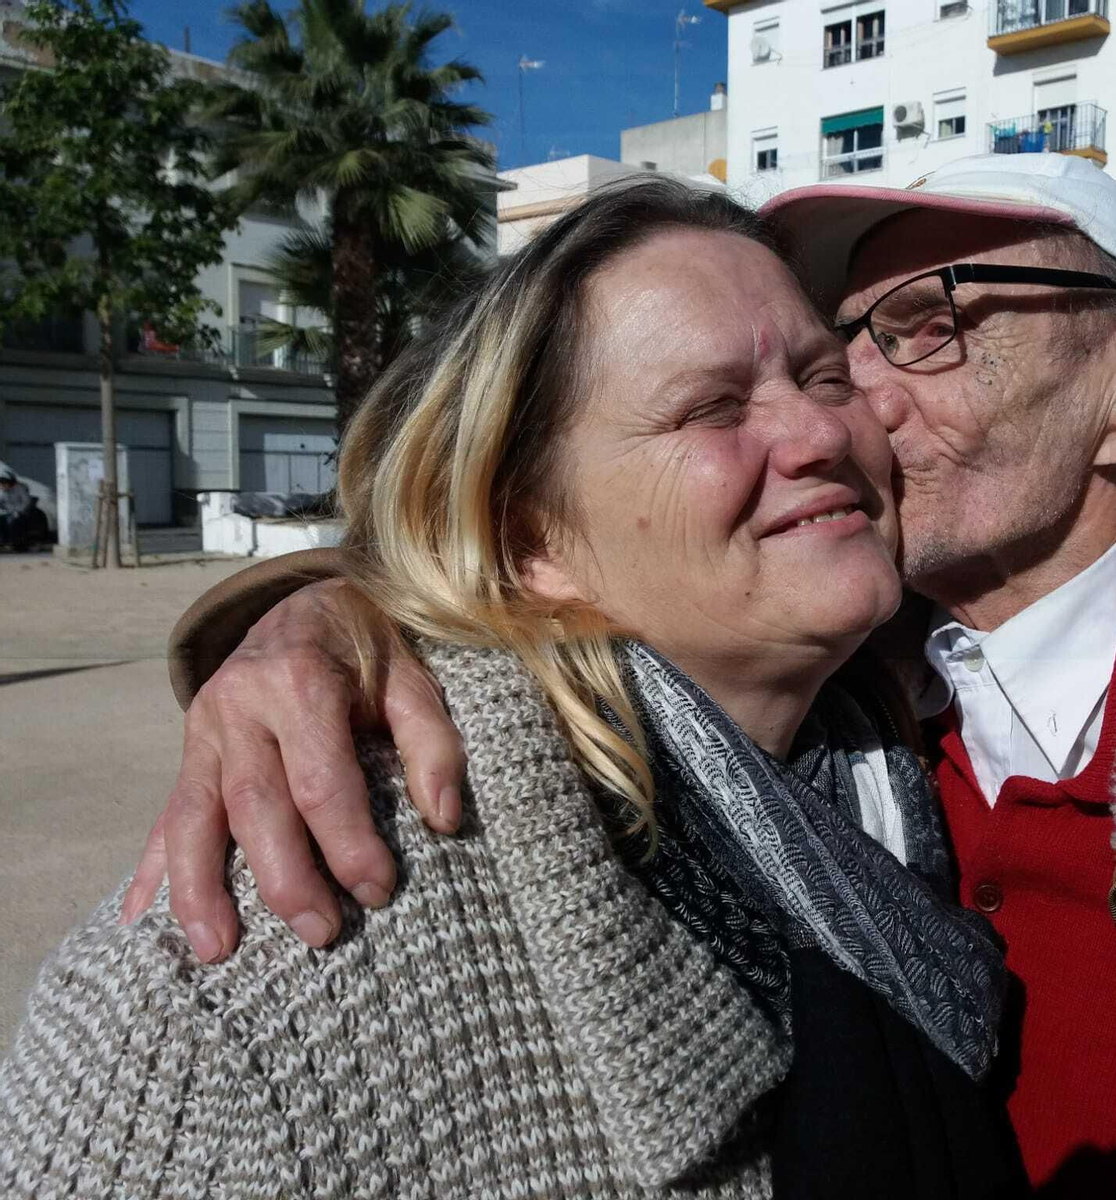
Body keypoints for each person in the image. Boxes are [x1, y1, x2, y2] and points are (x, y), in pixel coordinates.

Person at [134, 154, 1116, 1198]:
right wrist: (327, 608)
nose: (856, 408)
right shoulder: (846, 705)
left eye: (932, 323)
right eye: (843, 346)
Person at [0, 180, 1024, 1199]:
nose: (819, 435)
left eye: (822, 376)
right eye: (711, 409)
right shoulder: (253, 977)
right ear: (532, 541)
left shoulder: (903, 743)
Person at [0, 468, 34, 550]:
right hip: (6, 512)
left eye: (4, 483)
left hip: (19, 513)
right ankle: (4, 541)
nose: (2, 486)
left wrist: (17, 511)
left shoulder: (20, 488)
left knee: (14, 522)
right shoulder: (2, 491)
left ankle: (17, 544)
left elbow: (26, 502)